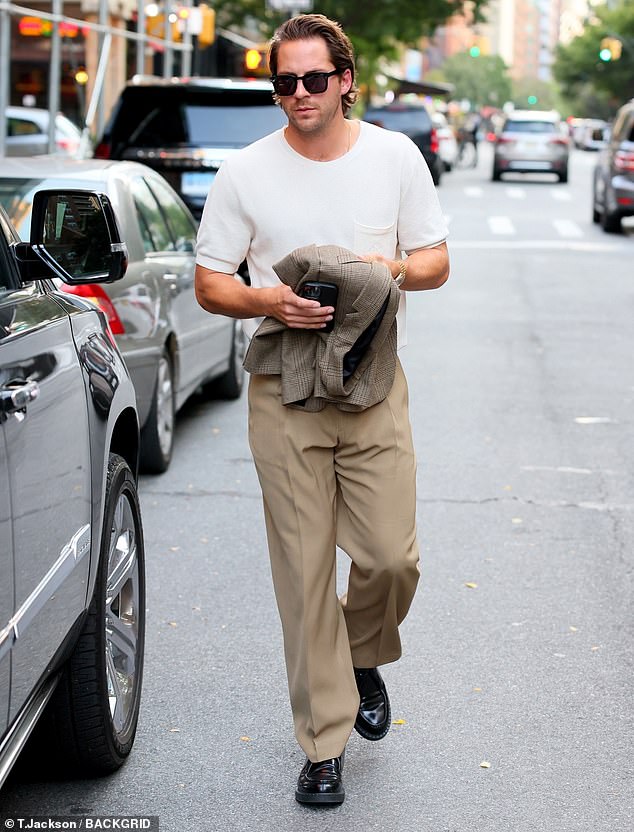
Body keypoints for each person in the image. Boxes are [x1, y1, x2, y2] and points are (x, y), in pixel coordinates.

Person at [195, 13, 449, 805]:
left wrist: (392, 268)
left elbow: (437, 261)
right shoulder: (246, 173)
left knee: (389, 559)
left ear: (345, 80)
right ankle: (323, 742)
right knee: (304, 575)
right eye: (283, 82)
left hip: (373, 381)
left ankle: (362, 652)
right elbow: (211, 283)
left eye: (312, 79)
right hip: (284, 388)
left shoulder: (394, 156)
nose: (297, 95)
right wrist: (266, 297)